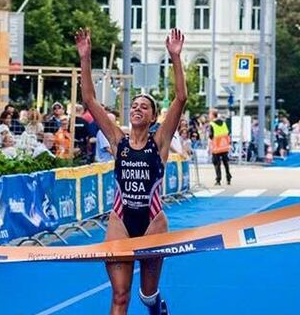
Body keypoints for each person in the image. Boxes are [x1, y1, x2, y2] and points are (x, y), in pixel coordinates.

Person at [76, 27, 186, 315]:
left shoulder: (160, 141)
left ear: (152, 117)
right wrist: (84, 59)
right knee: (120, 296)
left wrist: (175, 57)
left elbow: (181, 98)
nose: (137, 109)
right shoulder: (117, 140)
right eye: (134, 105)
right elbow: (89, 100)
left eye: (144, 107)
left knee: (147, 295)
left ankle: (155, 306)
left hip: (152, 222)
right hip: (121, 219)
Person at [208, 110, 231, 186]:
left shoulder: (212, 124)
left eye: (210, 114)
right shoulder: (223, 123)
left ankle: (218, 179)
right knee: (225, 163)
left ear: (213, 115)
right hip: (224, 146)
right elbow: (227, 133)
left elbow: (211, 136)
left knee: (217, 164)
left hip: (216, 147)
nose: (209, 116)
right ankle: (228, 177)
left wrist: (210, 146)